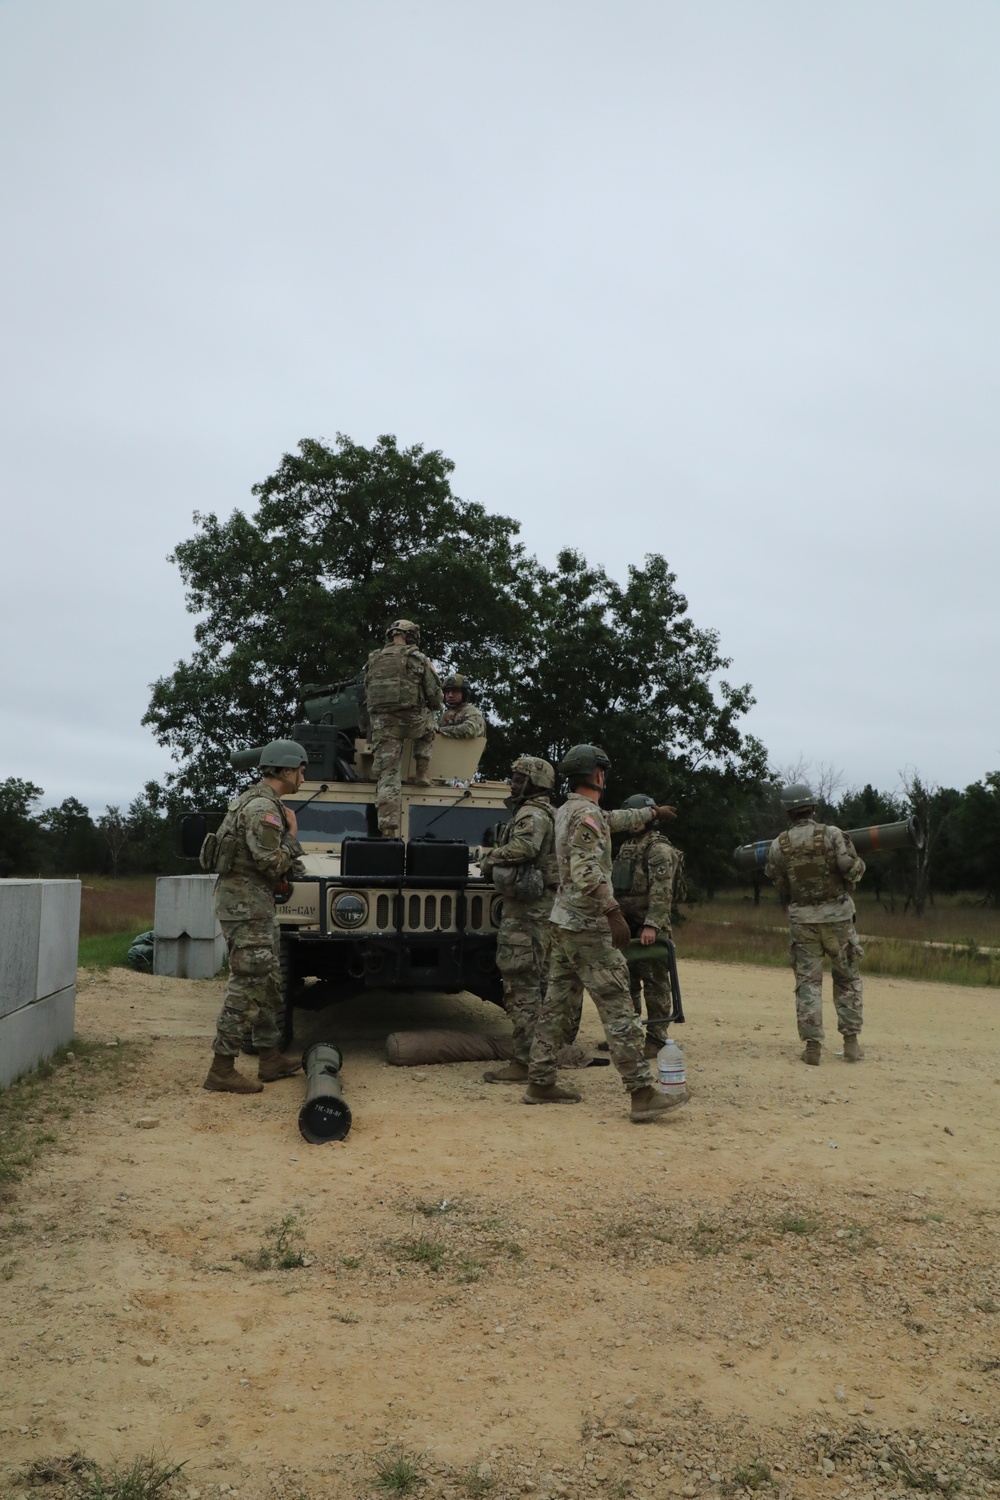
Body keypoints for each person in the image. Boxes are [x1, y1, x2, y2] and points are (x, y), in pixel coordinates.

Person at [525, 743, 688, 1122]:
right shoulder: (587, 817)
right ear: (598, 775)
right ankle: (642, 1092)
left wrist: (651, 812)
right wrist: (613, 911)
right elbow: (586, 871)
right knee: (619, 1008)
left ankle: (540, 1079)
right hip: (587, 927)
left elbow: (612, 818)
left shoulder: (569, 810)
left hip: (564, 923)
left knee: (555, 1006)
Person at [201, 739, 308, 1094]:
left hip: (252, 905)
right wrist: (292, 838)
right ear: (287, 770)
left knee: (269, 979)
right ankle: (221, 1068)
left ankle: (270, 1057)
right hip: (245, 907)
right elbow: (270, 862)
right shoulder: (265, 809)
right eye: (301, 769)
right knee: (248, 983)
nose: (304, 776)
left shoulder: (257, 800)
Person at [765, 782, 866, 1065]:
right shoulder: (833, 835)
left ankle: (812, 1048)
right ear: (812, 807)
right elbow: (851, 869)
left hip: (803, 922)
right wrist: (861, 864)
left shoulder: (778, 844)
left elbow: (779, 882)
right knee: (847, 980)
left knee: (808, 984)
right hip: (839, 920)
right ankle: (851, 1043)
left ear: (789, 813)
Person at [478, 755, 558, 1085]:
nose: (513, 782)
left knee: (521, 987)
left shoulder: (531, 814)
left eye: (519, 777)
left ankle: (524, 1062)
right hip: (539, 912)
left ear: (536, 782)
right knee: (538, 985)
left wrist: (489, 858)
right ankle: (541, 1060)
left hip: (525, 915)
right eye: (512, 776)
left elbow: (524, 847)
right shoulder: (548, 812)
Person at [613, 793, 685, 1058]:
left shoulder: (659, 849)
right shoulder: (627, 847)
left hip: (649, 926)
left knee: (655, 983)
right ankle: (630, 1035)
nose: (634, 823)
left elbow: (662, 892)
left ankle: (656, 1038)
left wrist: (652, 925)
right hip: (626, 924)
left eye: (638, 816)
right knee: (626, 983)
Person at [364, 619, 443, 837]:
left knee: (388, 775)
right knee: (430, 722)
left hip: (384, 726)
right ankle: (421, 772)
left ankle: (388, 827)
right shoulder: (417, 658)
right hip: (413, 722)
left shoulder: (373, 659)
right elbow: (435, 698)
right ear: (410, 636)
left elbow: (367, 693)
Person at [437, 674, 486, 739]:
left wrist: (439, 730)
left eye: (455, 691)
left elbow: (470, 730)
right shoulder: (444, 716)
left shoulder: (472, 711)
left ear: (465, 693)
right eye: (447, 692)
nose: (450, 695)